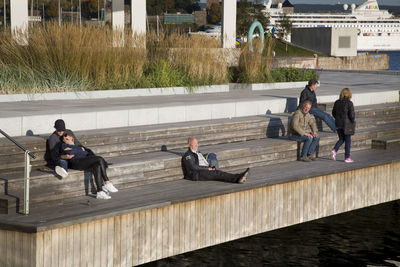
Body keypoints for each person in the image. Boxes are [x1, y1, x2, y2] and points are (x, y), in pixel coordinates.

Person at [61, 133, 118, 199]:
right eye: (64, 139)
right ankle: (107, 183)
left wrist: (78, 150)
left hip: (83, 161)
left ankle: (100, 192)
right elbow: (70, 153)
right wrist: (81, 150)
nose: (65, 140)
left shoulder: (78, 146)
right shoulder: (64, 145)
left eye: (67, 139)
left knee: (97, 166)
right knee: (99, 158)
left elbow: (87, 152)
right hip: (76, 162)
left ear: (72, 138)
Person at [182, 137, 249, 183]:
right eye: (195, 143)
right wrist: (208, 169)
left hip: (203, 171)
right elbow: (194, 167)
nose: (197, 145)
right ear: (190, 145)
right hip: (196, 174)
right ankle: (238, 178)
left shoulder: (197, 152)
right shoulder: (188, 155)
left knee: (219, 173)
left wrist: (210, 166)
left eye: (197, 143)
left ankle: (239, 178)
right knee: (218, 173)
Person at [331, 88, 355, 163]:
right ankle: (347, 157)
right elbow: (351, 115)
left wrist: (338, 119)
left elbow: (333, 113)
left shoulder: (337, 102)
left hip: (338, 123)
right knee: (348, 140)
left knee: (341, 139)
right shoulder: (349, 103)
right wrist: (352, 121)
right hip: (346, 124)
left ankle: (335, 150)